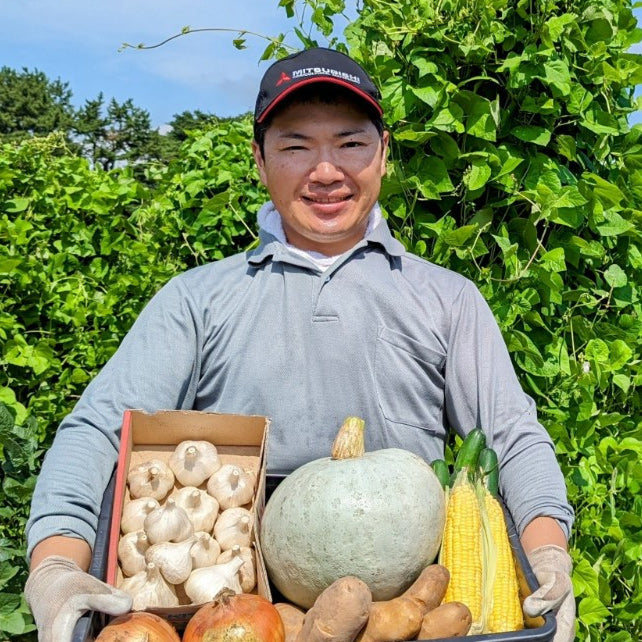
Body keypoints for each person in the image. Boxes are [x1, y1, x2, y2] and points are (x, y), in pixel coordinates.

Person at [25, 47, 575, 641]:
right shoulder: (198, 300)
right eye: (295, 146)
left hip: (411, 612)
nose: (326, 171)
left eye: (350, 143)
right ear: (260, 161)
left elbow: (511, 435)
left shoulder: (447, 299)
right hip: (246, 610)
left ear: (384, 154)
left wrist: (547, 553)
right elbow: (99, 427)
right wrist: (56, 565)